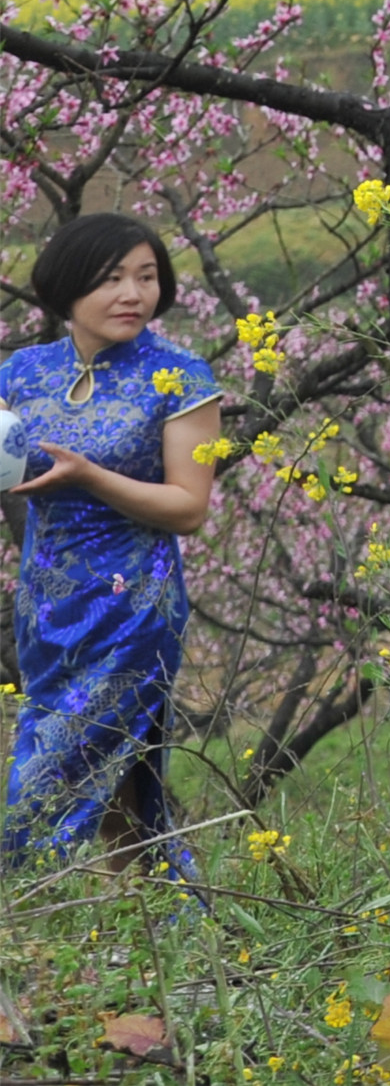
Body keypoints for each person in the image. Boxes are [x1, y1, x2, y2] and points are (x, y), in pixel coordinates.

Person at [0, 213, 223, 872]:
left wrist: (92, 476)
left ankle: (18, 914)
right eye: (112, 278)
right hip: (46, 608)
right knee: (131, 794)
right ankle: (173, 949)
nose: (133, 293)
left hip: (132, 608)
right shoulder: (23, 371)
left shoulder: (178, 376)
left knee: (45, 782)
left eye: (147, 276)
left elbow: (188, 507)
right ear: (66, 288)